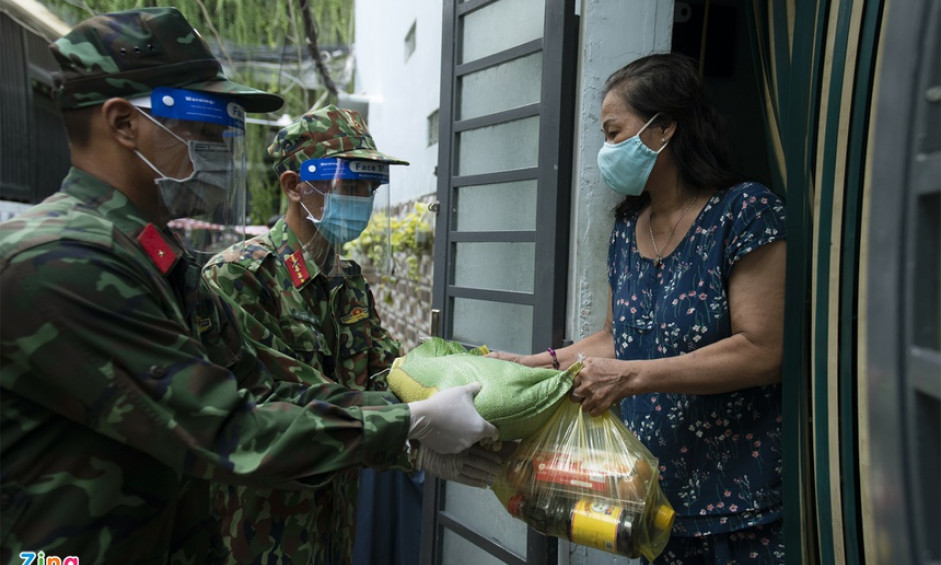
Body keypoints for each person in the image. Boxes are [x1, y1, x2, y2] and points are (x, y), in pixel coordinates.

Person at [0, 9, 500, 564]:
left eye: (222, 132)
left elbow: (268, 384)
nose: (215, 148)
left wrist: (410, 433)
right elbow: (220, 423)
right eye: (201, 128)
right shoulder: (61, 261)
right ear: (123, 123)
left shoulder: (161, 261)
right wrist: (405, 425)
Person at [490, 53, 787, 564]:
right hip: (648, 503)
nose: (606, 150)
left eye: (614, 132)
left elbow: (763, 351)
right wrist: (531, 364)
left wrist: (630, 378)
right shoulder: (629, 228)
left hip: (737, 509)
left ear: (665, 128)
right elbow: (615, 337)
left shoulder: (745, 213)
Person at [201, 106, 458, 564]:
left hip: (335, 524)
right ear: (294, 186)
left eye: (370, 187)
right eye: (349, 185)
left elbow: (387, 371)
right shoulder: (240, 276)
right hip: (255, 531)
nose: (362, 199)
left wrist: (471, 373)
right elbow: (282, 401)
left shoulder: (347, 280)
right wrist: (411, 422)